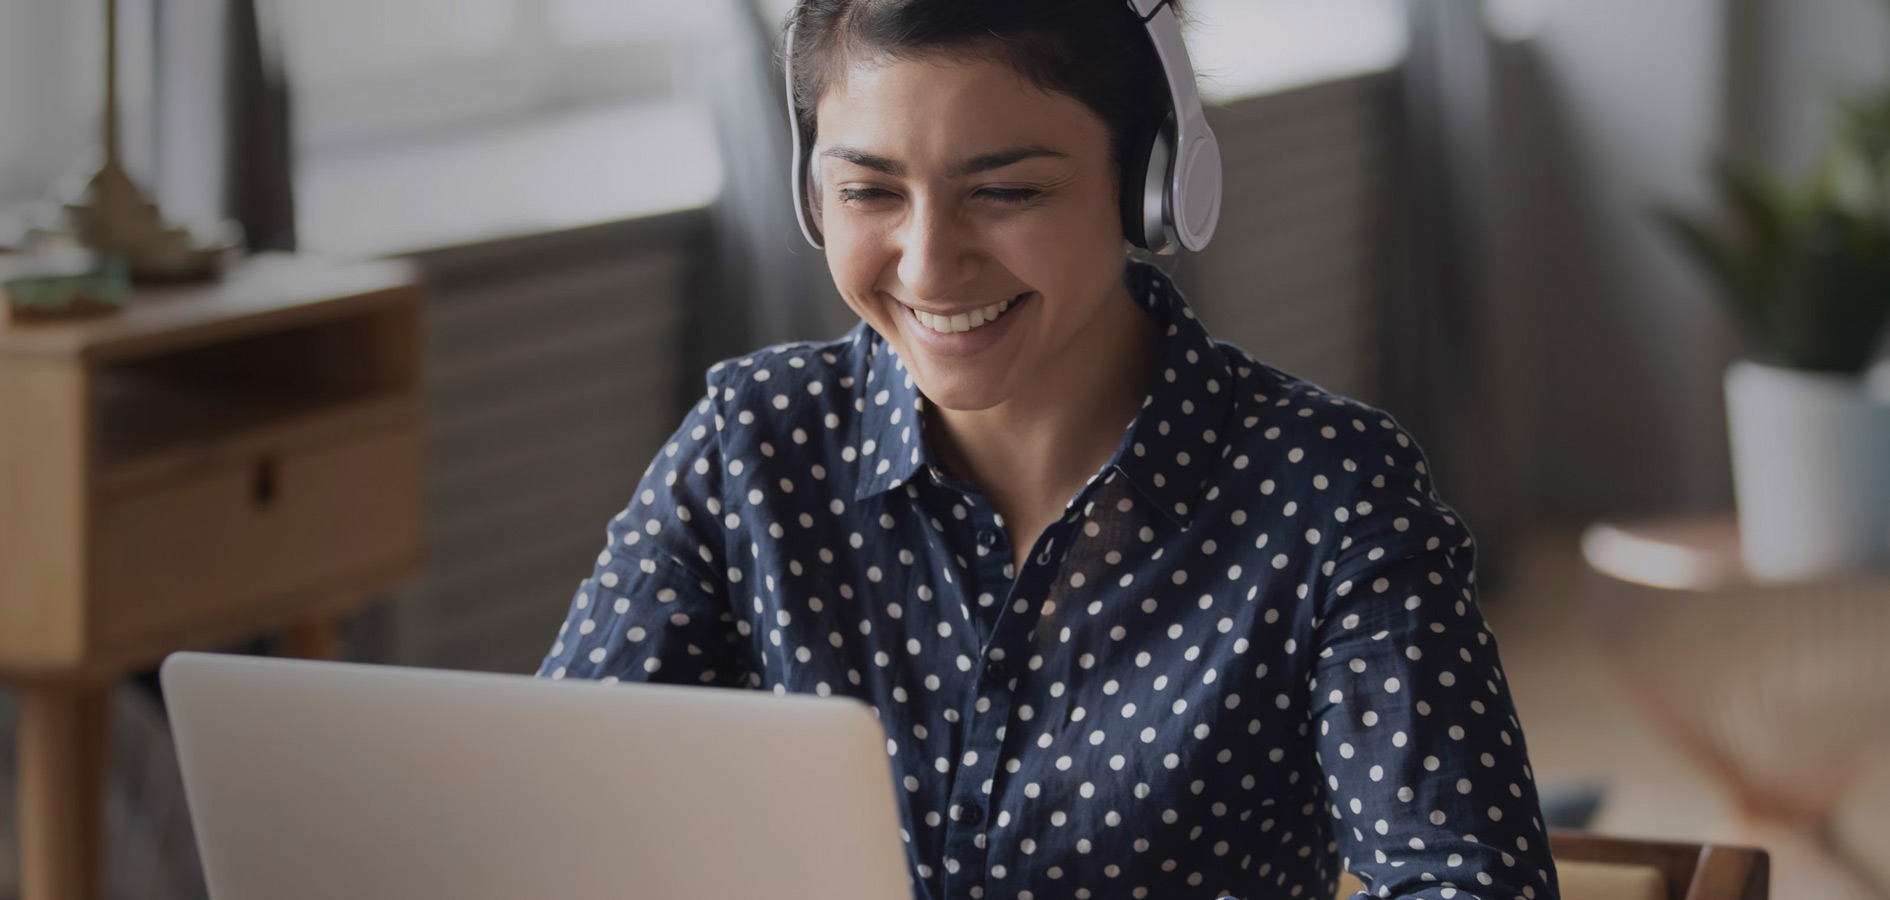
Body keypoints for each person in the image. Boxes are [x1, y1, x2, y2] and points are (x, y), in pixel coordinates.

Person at [535, 2, 1561, 899]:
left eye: (1007, 192)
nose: (931, 263)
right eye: (869, 192)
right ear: (810, 195)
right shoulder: (750, 448)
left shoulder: (1328, 493)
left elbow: (1464, 878)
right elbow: (548, 811)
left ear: (1153, 184)